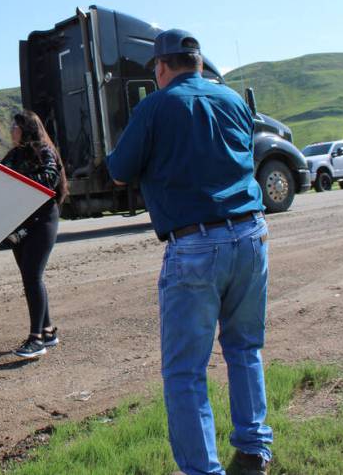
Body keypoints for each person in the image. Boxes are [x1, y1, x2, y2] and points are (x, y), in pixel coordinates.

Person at [107, 29, 272, 475]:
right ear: (199, 63)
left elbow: (119, 171)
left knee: (185, 371)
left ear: (161, 67)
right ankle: (254, 451)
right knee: (244, 348)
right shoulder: (234, 101)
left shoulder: (156, 106)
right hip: (251, 234)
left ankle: (202, 470)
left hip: (195, 244)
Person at [1, 110, 67, 359]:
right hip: (21, 225)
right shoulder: (14, 155)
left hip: (42, 222)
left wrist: (17, 179)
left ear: (26, 128)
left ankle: (36, 339)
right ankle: (48, 331)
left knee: (32, 276)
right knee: (30, 277)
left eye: (15, 126)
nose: (11, 130)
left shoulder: (44, 151)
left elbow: (49, 179)